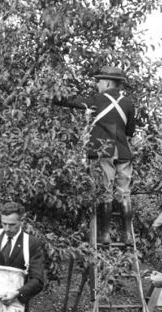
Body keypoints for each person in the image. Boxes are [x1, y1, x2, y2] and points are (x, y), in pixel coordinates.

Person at [54, 66, 136, 244]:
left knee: (104, 192)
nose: (97, 85)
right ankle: (128, 235)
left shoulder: (97, 99)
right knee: (124, 194)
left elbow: (73, 102)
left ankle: (105, 234)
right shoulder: (128, 102)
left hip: (103, 151)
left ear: (107, 82)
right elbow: (130, 131)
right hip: (123, 152)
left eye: (99, 82)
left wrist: (51, 96)